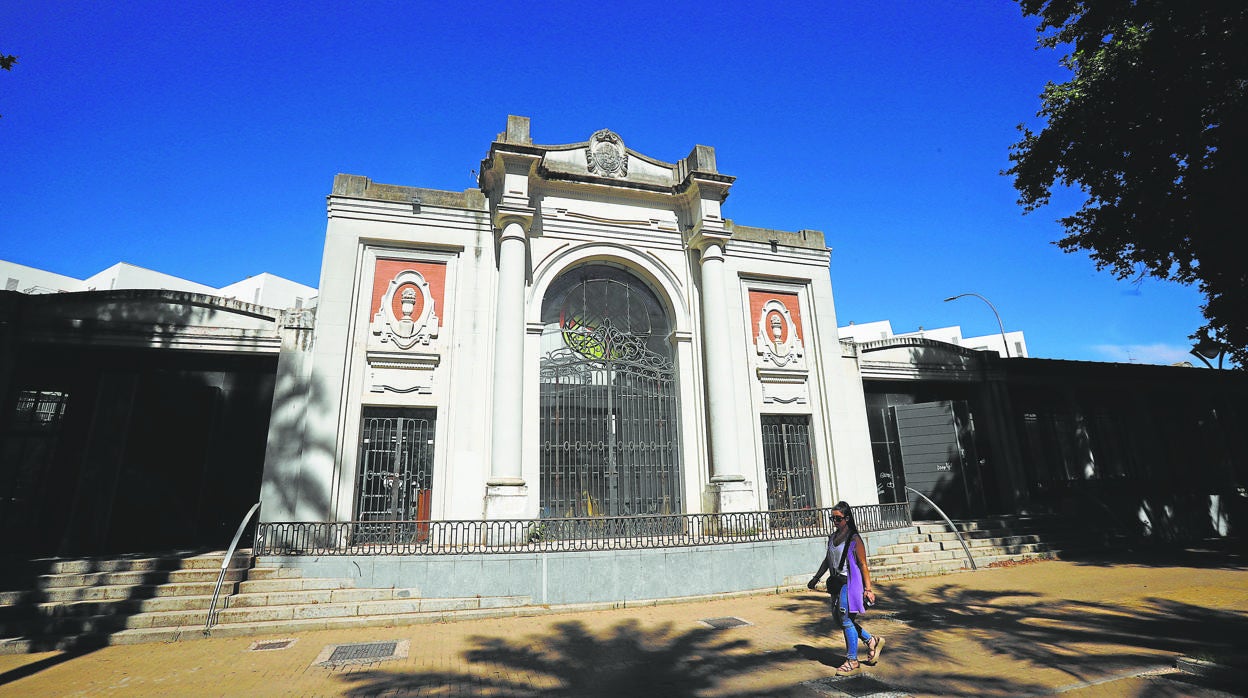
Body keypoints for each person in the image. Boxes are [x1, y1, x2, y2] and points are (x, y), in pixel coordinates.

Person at [807, 501, 885, 675]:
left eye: (838, 518)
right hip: (835, 583)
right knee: (839, 620)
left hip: (849, 584)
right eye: (832, 518)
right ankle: (871, 640)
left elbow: (863, 564)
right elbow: (828, 560)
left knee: (845, 618)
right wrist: (816, 578)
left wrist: (868, 589)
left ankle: (852, 660)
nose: (835, 522)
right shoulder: (832, 538)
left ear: (847, 518)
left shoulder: (854, 539)